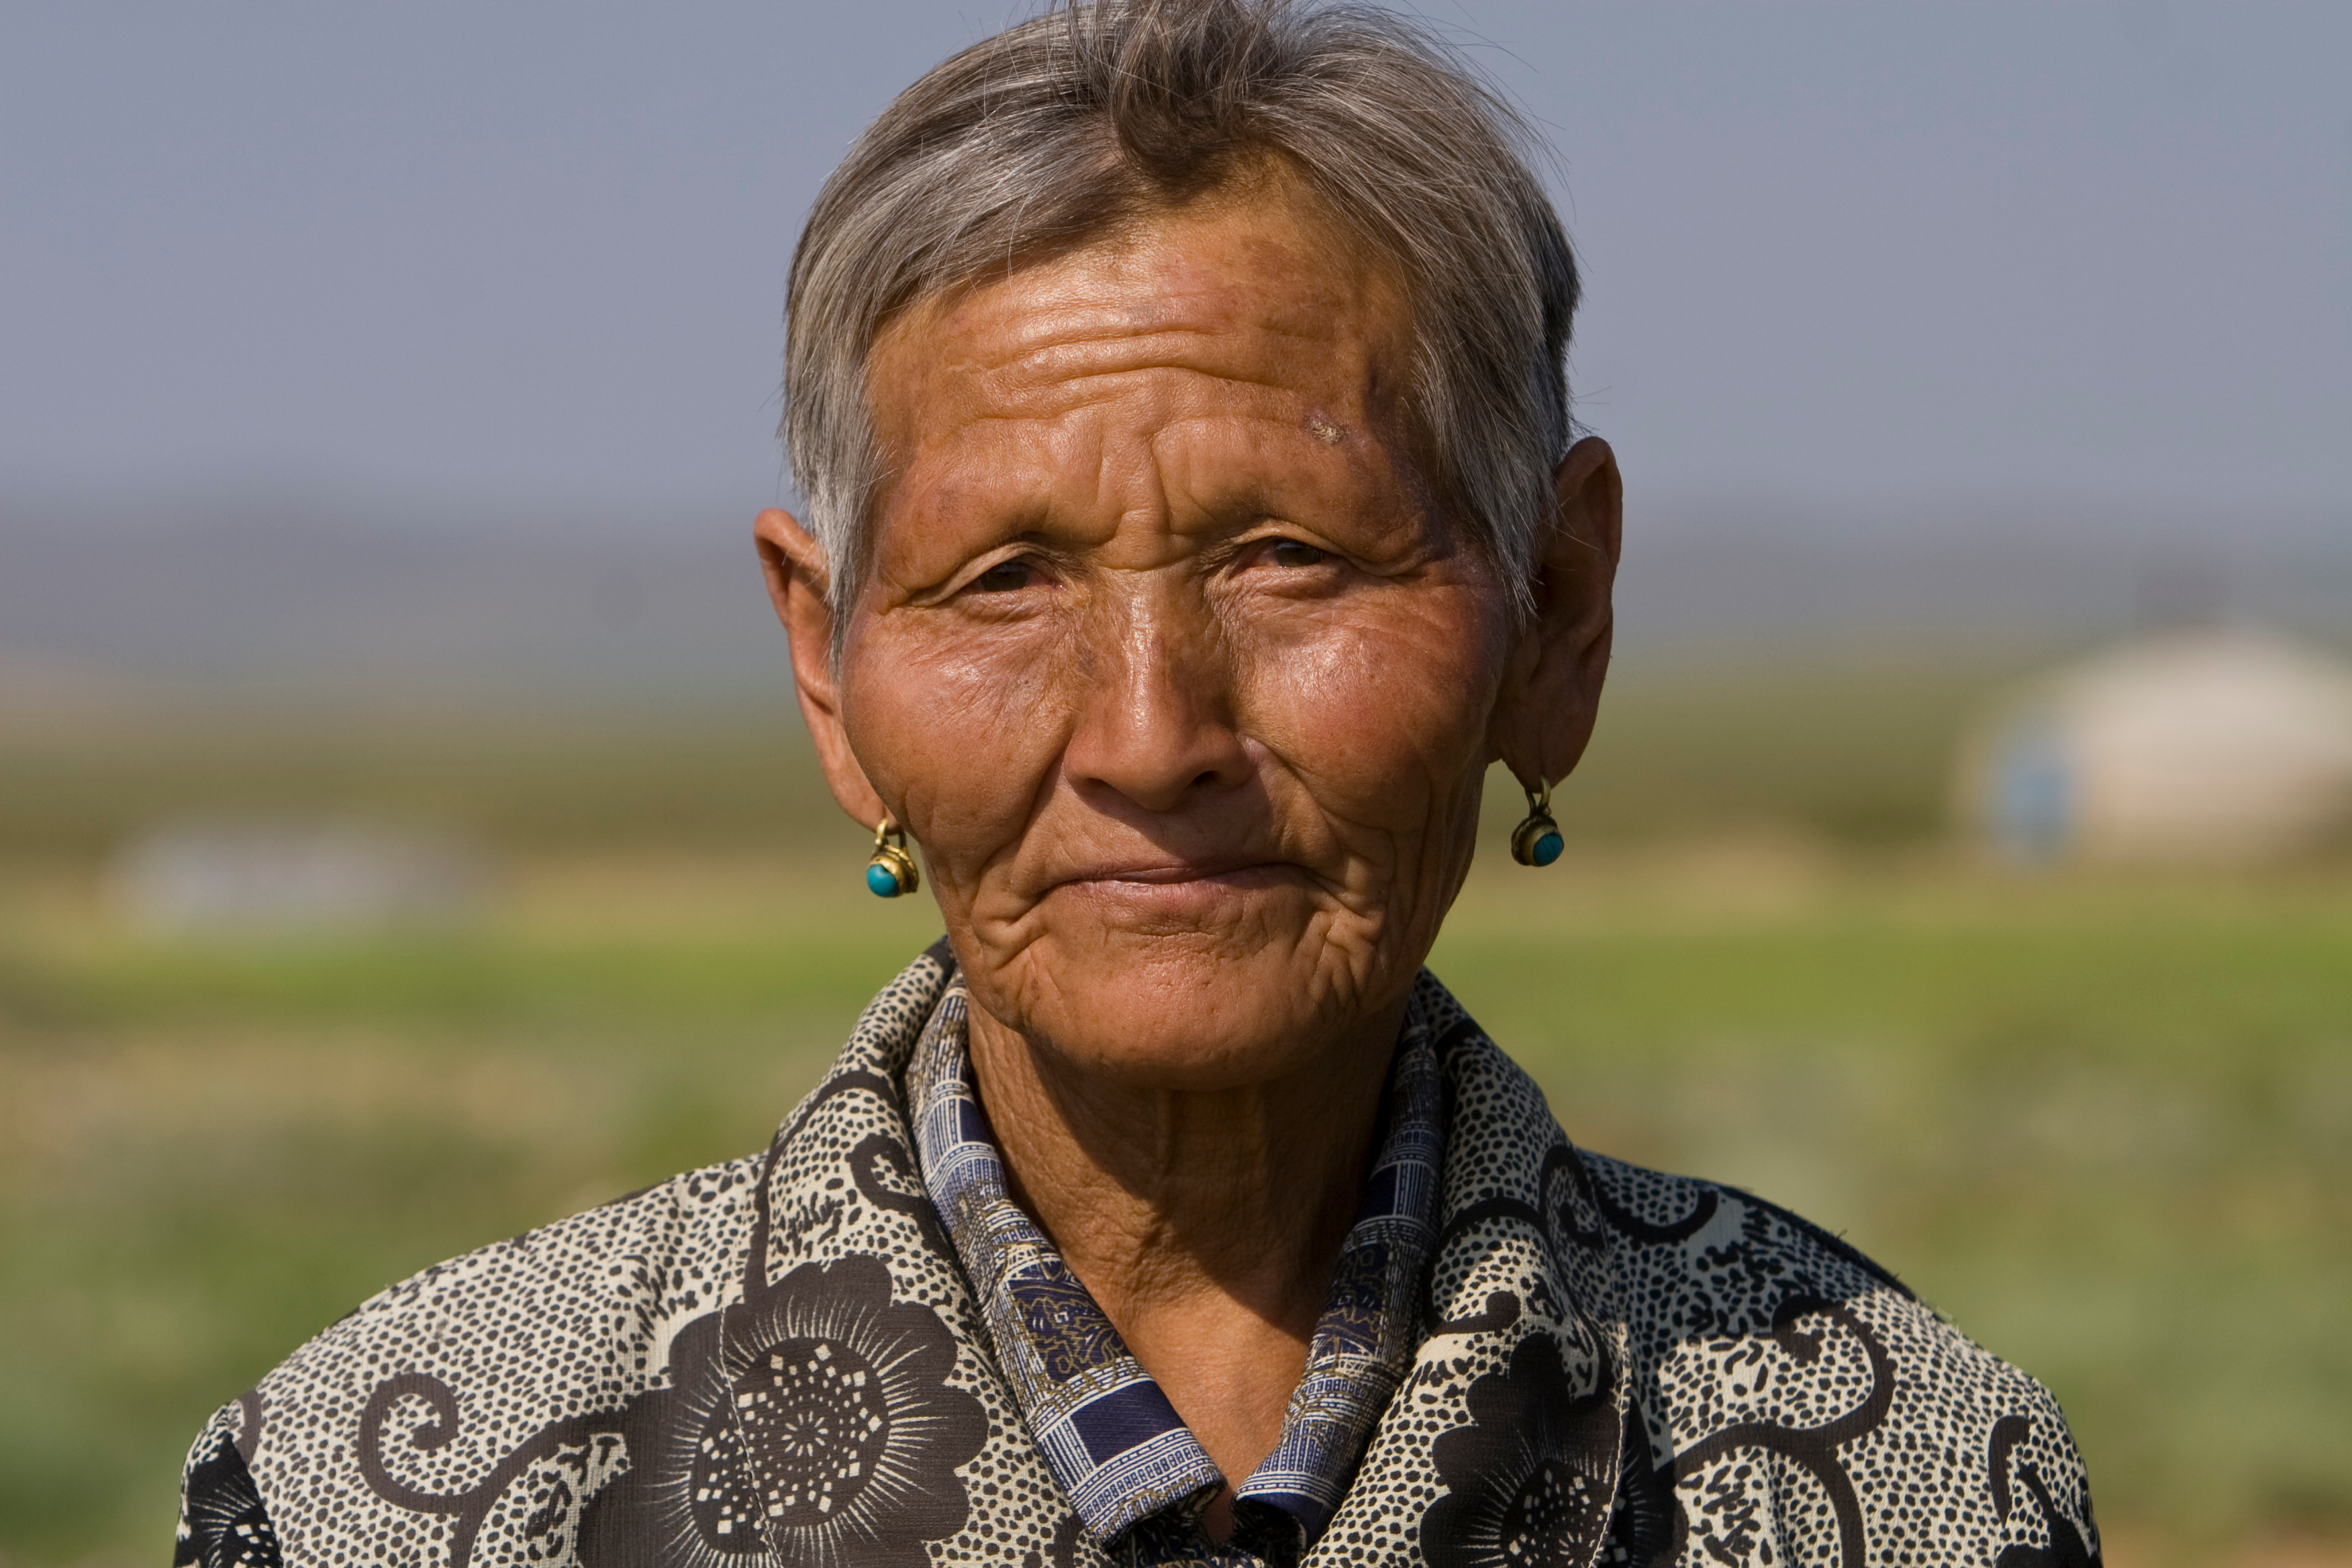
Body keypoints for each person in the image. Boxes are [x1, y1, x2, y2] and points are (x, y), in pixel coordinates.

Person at [175, 3, 2100, 1565]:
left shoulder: (1897, 1475)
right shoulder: (399, 1492)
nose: (1149, 731)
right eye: (1003, 578)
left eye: (1292, 556)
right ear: (825, 668)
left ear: (1556, 611)